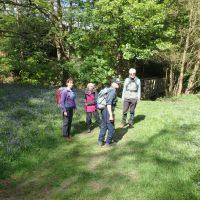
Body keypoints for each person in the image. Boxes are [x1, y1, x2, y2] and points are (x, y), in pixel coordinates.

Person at [98, 78, 121, 146]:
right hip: (108, 110)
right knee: (111, 127)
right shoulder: (112, 91)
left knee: (104, 126)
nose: (118, 84)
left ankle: (100, 141)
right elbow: (109, 104)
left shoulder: (108, 89)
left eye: (119, 83)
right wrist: (111, 115)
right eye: (117, 83)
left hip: (103, 110)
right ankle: (108, 142)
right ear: (112, 83)